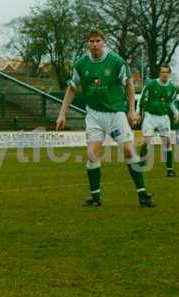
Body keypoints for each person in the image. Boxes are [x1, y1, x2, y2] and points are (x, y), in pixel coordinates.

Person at [56, 29, 154, 208]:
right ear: (87, 43)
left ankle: (143, 194)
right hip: (93, 114)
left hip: (115, 113)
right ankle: (95, 197)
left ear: (104, 42)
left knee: (128, 152)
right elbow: (71, 88)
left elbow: (129, 85)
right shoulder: (80, 64)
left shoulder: (116, 61)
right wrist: (62, 113)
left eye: (98, 41)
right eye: (91, 41)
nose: (94, 44)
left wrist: (131, 111)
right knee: (92, 154)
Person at [137, 64, 179, 177]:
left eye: (167, 72)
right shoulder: (151, 85)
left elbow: (171, 102)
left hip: (163, 117)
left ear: (169, 74)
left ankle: (170, 170)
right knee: (146, 141)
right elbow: (141, 98)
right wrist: (137, 113)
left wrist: (176, 112)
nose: (165, 74)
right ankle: (140, 167)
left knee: (167, 143)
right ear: (159, 73)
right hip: (150, 116)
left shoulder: (172, 87)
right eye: (163, 72)